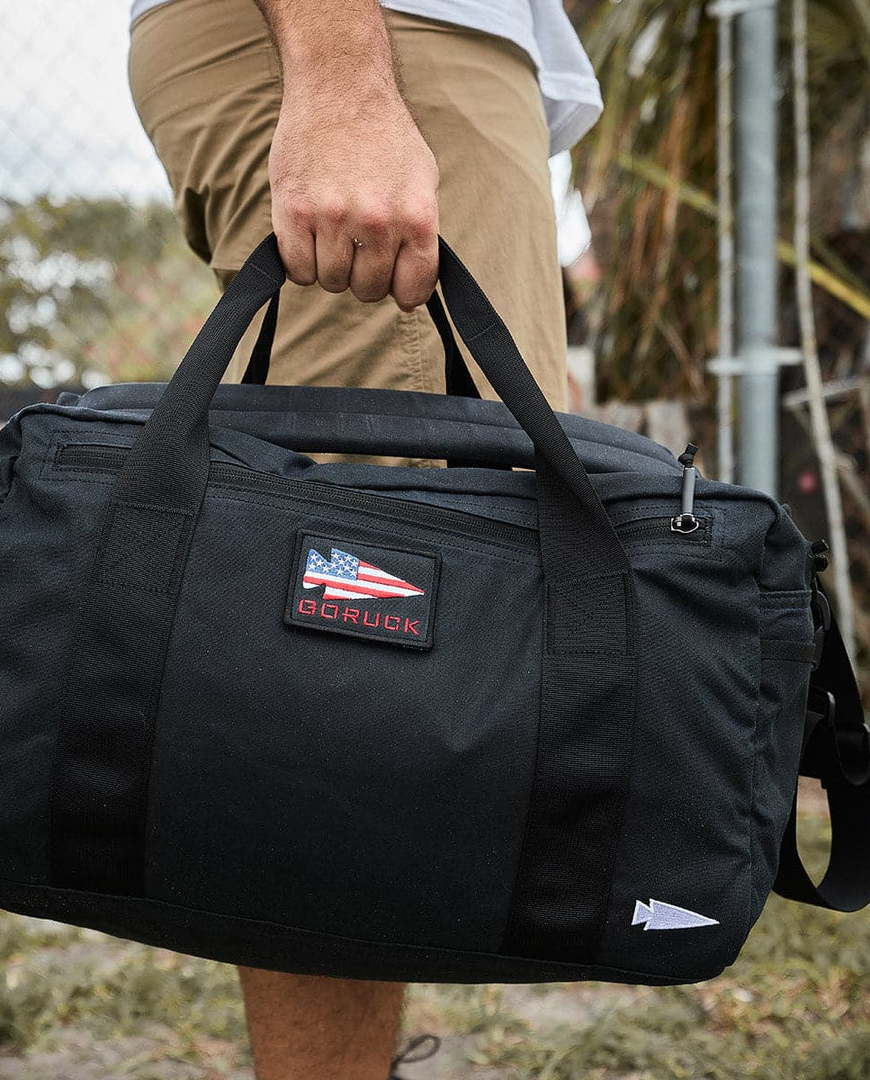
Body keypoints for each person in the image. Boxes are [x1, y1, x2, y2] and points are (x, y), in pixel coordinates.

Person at [127, 1, 601, 1075]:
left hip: (412, 50)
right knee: (349, 685)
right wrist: (342, 82)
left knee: (377, 650)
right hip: (378, 37)